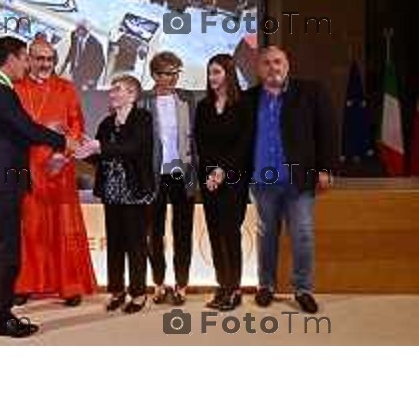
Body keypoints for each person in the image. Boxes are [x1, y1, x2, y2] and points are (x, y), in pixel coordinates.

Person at [0, 36, 67, 338]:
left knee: (1, 242)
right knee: (8, 248)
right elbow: (25, 128)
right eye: (26, 58)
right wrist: (62, 140)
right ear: (11, 58)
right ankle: (1, 318)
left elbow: (19, 132)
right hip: (2, 179)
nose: (28, 65)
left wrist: (47, 135)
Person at [244, 45, 337, 313]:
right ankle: (266, 286)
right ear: (259, 69)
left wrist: (327, 168)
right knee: (266, 235)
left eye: (278, 61)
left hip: (298, 180)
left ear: (287, 64)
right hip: (262, 181)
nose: (273, 67)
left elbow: (328, 131)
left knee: (303, 235)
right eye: (267, 63)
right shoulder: (249, 99)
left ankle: (303, 289)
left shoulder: (311, 92)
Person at [13, 38, 97, 306]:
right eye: (39, 59)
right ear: (29, 59)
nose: (45, 64)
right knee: (30, 228)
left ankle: (69, 286)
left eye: (50, 59)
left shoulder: (66, 88)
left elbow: (76, 124)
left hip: (60, 167)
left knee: (64, 227)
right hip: (28, 166)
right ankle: (25, 284)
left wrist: (62, 155)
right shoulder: (16, 87)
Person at [77, 75, 154, 314]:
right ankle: (117, 291)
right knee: (116, 244)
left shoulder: (142, 119)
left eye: (117, 89)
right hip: (111, 191)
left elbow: (134, 148)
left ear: (132, 94)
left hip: (134, 191)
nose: (111, 93)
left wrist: (100, 147)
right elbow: (99, 156)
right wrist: (80, 150)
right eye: (111, 89)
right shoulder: (107, 123)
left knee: (136, 244)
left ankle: (139, 293)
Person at [194, 54, 252, 311]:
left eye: (216, 72)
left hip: (234, 179)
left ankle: (235, 288)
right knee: (215, 234)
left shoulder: (244, 105)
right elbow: (201, 143)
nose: (212, 78)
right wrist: (210, 173)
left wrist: (222, 171)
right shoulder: (203, 106)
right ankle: (222, 285)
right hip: (210, 180)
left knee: (230, 233)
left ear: (228, 73)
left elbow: (244, 144)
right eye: (210, 73)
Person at [140, 52, 196, 306]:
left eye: (176, 72)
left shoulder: (187, 98)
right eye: (167, 73)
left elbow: (194, 136)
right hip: (154, 176)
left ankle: (182, 284)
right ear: (154, 76)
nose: (173, 78)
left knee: (183, 231)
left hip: (181, 174)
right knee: (155, 233)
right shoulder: (143, 101)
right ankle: (159, 283)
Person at [59, 22, 105, 90]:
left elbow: (100, 64)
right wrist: (64, 65)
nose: (76, 33)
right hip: (76, 73)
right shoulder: (74, 35)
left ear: (85, 31)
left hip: (88, 76)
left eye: (79, 30)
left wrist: (93, 79)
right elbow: (72, 50)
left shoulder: (96, 45)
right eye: (76, 30)